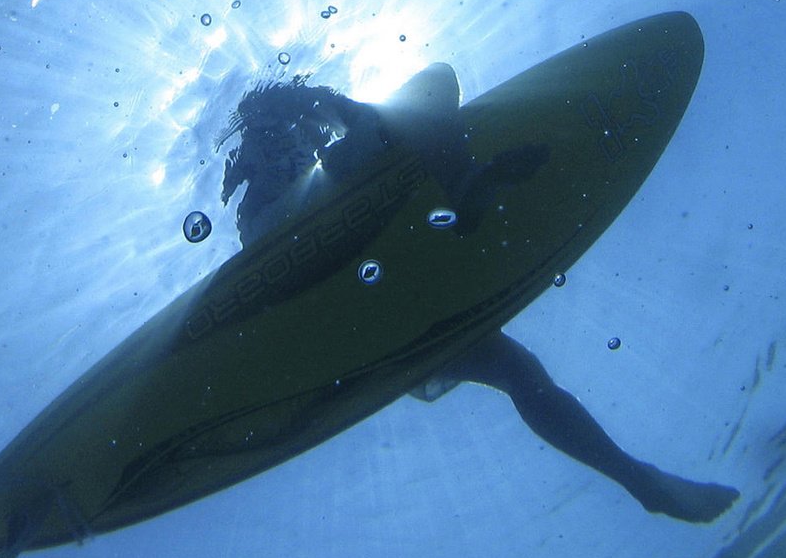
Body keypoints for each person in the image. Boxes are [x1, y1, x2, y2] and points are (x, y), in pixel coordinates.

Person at [216, 68, 739, 524]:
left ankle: (639, 480)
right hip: (296, 249)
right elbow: (355, 122)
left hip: (369, 286)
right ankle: (464, 184)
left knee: (517, 370)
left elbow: (355, 122)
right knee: (427, 89)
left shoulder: (281, 136)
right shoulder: (272, 122)